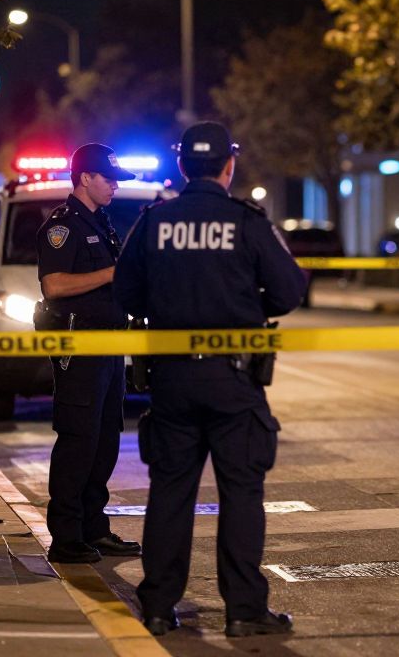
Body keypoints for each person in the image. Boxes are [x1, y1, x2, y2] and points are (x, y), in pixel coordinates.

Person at [113, 122, 305, 638]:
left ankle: (159, 607)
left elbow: (126, 293)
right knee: (240, 494)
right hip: (233, 380)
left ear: (181, 165)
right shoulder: (246, 221)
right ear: (228, 166)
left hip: (172, 380)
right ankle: (244, 611)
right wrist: (245, 303)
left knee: (170, 493)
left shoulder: (155, 220)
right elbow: (289, 291)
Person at [36, 143, 142, 563]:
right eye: (109, 179)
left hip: (109, 346)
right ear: (85, 178)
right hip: (79, 348)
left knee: (105, 440)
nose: (115, 186)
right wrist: (111, 273)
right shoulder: (63, 226)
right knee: (79, 440)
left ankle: (94, 529)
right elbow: (54, 285)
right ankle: (66, 538)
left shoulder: (101, 222)